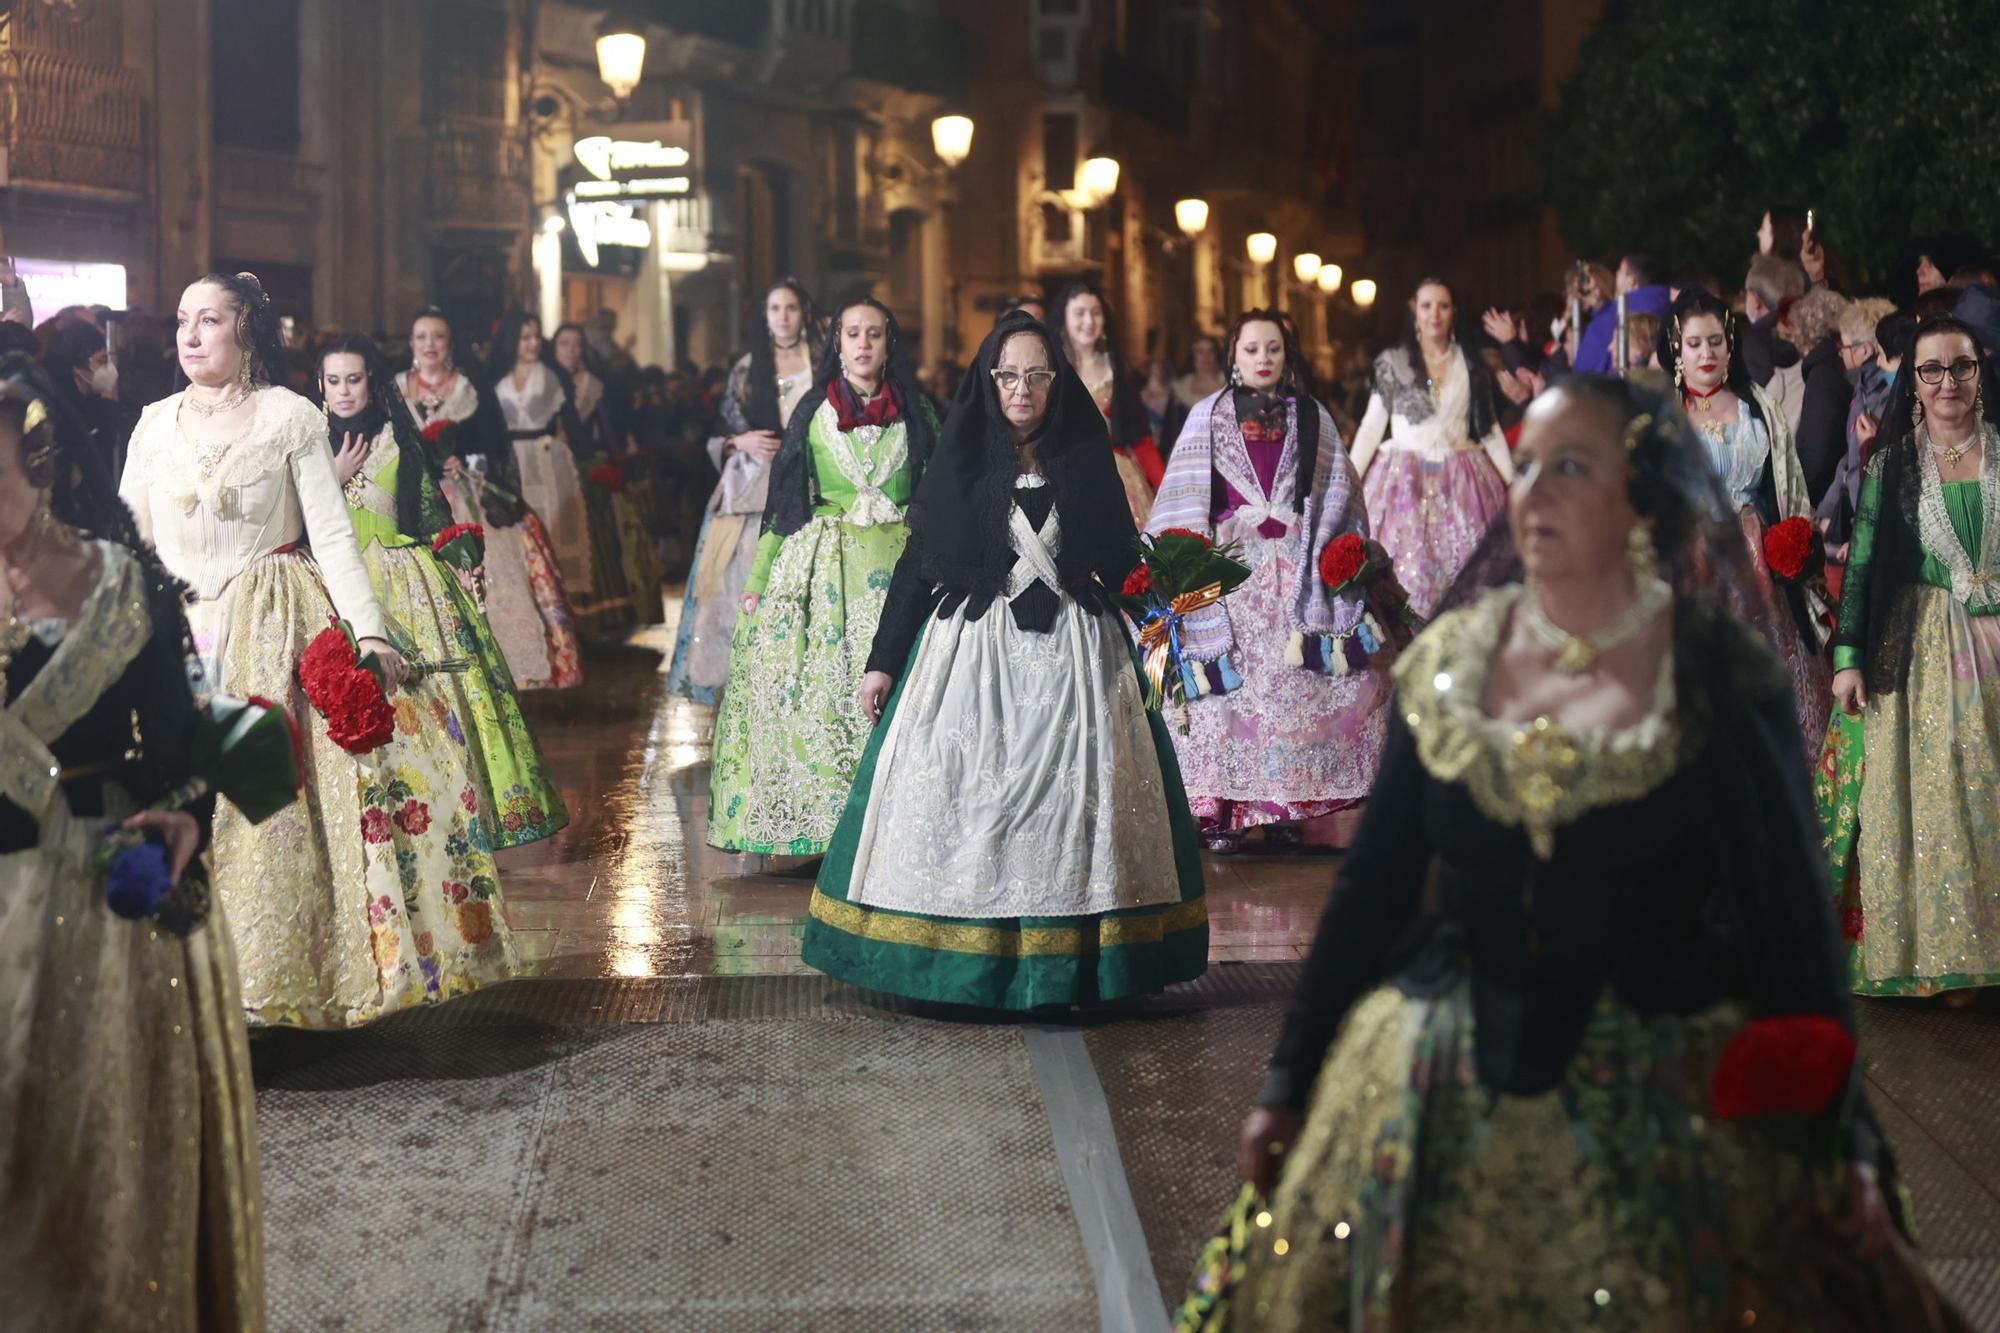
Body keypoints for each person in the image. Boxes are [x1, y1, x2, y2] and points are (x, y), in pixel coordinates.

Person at [1195, 376, 1924, 1333]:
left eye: (1571, 468)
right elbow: (1373, 889)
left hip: (1661, 1091)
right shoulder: (1452, 664)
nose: (1532, 492)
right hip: (1442, 1077)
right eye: (1527, 466)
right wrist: (1288, 1081)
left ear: (1643, 500)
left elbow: (1785, 911)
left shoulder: (1712, 671)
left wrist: (1849, 1139)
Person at [119, 272, 519, 1027]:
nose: (190, 336)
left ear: (246, 331)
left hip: (269, 619)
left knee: (263, 813)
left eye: (209, 320)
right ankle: (161, 978)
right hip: (175, 631)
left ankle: (263, 987)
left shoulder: (288, 416)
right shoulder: (152, 424)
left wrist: (368, 629)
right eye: (182, 321)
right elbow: (129, 535)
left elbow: (332, 533)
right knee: (164, 795)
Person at [800, 312, 1206, 1006]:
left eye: (1037, 375)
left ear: (1055, 381)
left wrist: (1167, 627)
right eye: (1010, 375)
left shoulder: (1086, 455)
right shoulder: (960, 458)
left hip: (1077, 654)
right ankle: (968, 962)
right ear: (991, 381)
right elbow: (918, 565)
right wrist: (883, 662)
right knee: (971, 799)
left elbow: (1120, 560)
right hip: (973, 657)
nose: (1022, 389)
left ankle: (1074, 959)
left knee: (1074, 808)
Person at [1, 357, 262, 1330]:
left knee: (88, 1165)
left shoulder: (120, 582)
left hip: (93, 903)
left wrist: (184, 812)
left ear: (46, 462)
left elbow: (181, 745)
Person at [1149, 311, 1393, 853]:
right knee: (1233, 691)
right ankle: (1226, 808)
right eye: (1253, 349)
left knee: (1291, 688)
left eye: (1274, 350)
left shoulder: (1311, 416)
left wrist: (1334, 549)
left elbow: (1337, 490)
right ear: (1234, 354)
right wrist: (1184, 563)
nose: (1263, 359)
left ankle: (1286, 802)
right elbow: (1184, 494)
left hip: (1296, 567)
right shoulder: (1206, 417)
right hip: (1233, 571)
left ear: (1287, 356)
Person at [707, 296, 935, 856]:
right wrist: (759, 581)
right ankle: (831, 826)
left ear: (889, 344)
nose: (862, 344)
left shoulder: (921, 412)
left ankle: (899, 822)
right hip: (829, 569)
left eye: (874, 334)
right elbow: (785, 503)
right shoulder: (812, 411)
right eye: (852, 334)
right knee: (825, 695)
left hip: (905, 566)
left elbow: (941, 490)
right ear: (837, 343)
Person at [322, 332, 567, 849]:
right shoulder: (308, 442)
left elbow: (430, 509)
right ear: (321, 386)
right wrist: (332, 476)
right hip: (333, 585)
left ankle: (442, 815)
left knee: (430, 702)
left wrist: (457, 556)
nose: (344, 391)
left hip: (406, 579)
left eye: (355, 379)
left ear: (373, 383)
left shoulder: (396, 437)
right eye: (334, 381)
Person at [1830, 315, 2000, 996]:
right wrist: (1848, 656)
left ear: (1979, 371)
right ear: (1913, 383)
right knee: (1946, 800)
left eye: (1960, 366)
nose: (1947, 382)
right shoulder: (1892, 464)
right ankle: (1951, 956)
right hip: (1927, 652)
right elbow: (1864, 562)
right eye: (1931, 369)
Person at [1660, 289, 1832, 759]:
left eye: (1715, 341)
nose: (1706, 353)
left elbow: (1789, 481)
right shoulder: (1661, 414)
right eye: (1694, 343)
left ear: (1730, 343)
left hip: (1757, 562)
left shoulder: (1757, 406)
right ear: (1677, 347)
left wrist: (1795, 540)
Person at [400, 307, 581, 690]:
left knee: (497, 577)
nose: (429, 345)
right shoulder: (395, 389)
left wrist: (463, 460)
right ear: (411, 343)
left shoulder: (471, 387)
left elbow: (494, 443)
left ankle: (503, 665)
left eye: (437, 337)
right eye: (421, 337)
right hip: (415, 501)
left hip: (467, 493)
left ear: (450, 344)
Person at [667, 279, 819, 704]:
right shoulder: (747, 370)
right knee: (736, 588)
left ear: (803, 313)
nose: (784, 316)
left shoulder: (824, 364)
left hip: (811, 484)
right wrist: (743, 441)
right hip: (753, 490)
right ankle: (744, 683)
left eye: (791, 307)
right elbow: (721, 434)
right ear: (765, 317)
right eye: (775, 308)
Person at [1350, 277, 1514, 619]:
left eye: (1443, 305)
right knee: (1405, 571)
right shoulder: (1393, 362)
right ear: (1415, 311)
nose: (1435, 314)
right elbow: (1370, 427)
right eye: (1427, 306)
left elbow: (1489, 429)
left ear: (1453, 312)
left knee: (1466, 569)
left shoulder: (1469, 363)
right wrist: (1348, 480)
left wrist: (1514, 480)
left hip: (1462, 480)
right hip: (1402, 483)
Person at [489, 312, 604, 630]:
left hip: (547, 460)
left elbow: (572, 424)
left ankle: (557, 615)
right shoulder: (498, 379)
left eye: (537, 336)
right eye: (525, 337)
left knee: (551, 530)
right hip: (510, 461)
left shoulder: (552, 376)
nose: (533, 343)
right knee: (514, 535)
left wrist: (589, 460)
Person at [551, 320, 663, 629]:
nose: (571, 351)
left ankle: (595, 618)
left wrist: (614, 467)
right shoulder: (543, 379)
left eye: (577, 345)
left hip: (582, 468)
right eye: (564, 344)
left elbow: (609, 430)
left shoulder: (592, 384)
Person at [1058, 282, 1164, 523]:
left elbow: (1140, 438)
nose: (1089, 321)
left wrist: (1167, 488)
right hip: (1065, 475)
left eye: (1095, 312)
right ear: (1064, 317)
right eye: (1079, 313)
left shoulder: (1115, 370)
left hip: (1119, 478)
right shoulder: (1051, 370)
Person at [1819, 303, 1904, 548]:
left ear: (1865, 350)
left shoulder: (1887, 396)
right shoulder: (1863, 388)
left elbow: (1862, 465)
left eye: (1844, 347)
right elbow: (1849, 460)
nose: (1841, 353)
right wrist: (1826, 513)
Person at [1787, 287, 1856, 505]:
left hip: (1824, 500)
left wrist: (1801, 499)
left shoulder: (1823, 374)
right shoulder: (1834, 366)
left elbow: (1818, 453)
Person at [1573, 252, 1671, 373]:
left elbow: (1585, 371)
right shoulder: (1674, 308)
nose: (1616, 274)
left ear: (1632, 281)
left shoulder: (1609, 318)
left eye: (1620, 270)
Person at [1173, 333, 1226, 406]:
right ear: (1193, 355)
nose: (1206, 356)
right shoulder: (1181, 387)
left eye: (1210, 351)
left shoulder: (1227, 383)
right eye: (1200, 351)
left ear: (1216, 354)